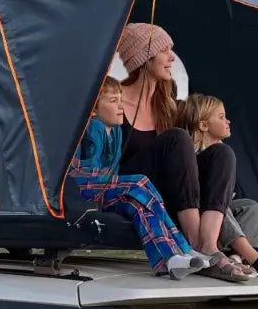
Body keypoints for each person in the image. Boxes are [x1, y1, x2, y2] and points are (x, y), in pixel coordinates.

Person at [116, 23, 250, 283]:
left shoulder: (168, 107)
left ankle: (208, 244)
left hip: (165, 189)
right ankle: (192, 242)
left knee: (221, 154)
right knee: (176, 138)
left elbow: (193, 150)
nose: (172, 58)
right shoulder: (113, 102)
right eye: (164, 50)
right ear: (144, 56)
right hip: (129, 186)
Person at [69, 77, 211, 280]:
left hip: (106, 188)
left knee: (138, 205)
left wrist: (118, 188)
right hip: (83, 187)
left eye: (121, 100)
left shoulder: (116, 131)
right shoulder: (93, 128)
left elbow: (113, 172)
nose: (120, 107)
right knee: (140, 183)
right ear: (93, 110)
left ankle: (169, 260)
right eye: (112, 101)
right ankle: (184, 246)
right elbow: (90, 171)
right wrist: (117, 185)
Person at [174, 93, 258, 280]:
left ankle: (237, 257)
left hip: (217, 212)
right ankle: (255, 258)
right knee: (220, 208)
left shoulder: (223, 156)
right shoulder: (193, 156)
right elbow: (205, 197)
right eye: (221, 117)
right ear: (204, 125)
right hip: (199, 212)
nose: (228, 121)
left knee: (250, 207)